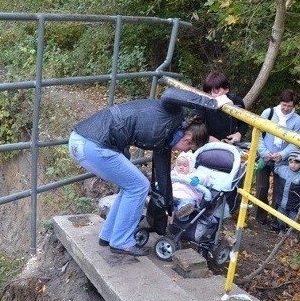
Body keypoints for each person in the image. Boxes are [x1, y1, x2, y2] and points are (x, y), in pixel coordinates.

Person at [68, 87, 231, 257]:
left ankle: (108, 236)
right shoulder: (172, 114)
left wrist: (169, 209)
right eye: (190, 148)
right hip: (93, 144)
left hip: (81, 141)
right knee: (139, 186)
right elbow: (169, 94)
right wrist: (212, 102)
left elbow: (163, 176)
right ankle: (121, 242)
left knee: (130, 186)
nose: (186, 152)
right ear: (187, 139)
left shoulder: (164, 140)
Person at [255, 89, 300, 229]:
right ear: (279, 102)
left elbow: (295, 142)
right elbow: (257, 134)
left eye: (290, 106)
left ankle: (276, 220)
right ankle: (260, 216)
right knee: (261, 187)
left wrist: (282, 155)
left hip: (282, 160)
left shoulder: (297, 120)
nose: (286, 108)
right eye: (284, 105)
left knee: (280, 191)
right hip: (265, 157)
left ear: (294, 106)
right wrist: (264, 152)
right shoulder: (268, 113)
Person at [194, 71, 248, 144]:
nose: (212, 95)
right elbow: (194, 126)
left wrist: (239, 134)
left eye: (216, 91)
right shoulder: (204, 102)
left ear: (226, 89)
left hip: (228, 143)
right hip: (207, 144)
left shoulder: (236, 101)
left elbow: (244, 123)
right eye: (209, 92)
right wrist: (207, 137)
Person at [273, 152, 300, 239]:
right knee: (280, 219)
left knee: (293, 221)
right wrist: (277, 160)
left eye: (296, 163)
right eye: (291, 162)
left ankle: (293, 234)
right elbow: (276, 168)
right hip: (281, 202)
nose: (293, 165)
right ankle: (282, 230)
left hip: (294, 205)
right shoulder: (283, 170)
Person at [170, 151, 212, 221]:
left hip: (187, 195)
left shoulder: (195, 174)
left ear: (191, 166)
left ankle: (183, 212)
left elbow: (204, 178)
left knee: (188, 202)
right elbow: (166, 179)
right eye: (179, 165)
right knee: (164, 196)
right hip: (172, 194)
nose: (181, 167)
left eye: (184, 165)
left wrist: (197, 179)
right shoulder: (174, 173)